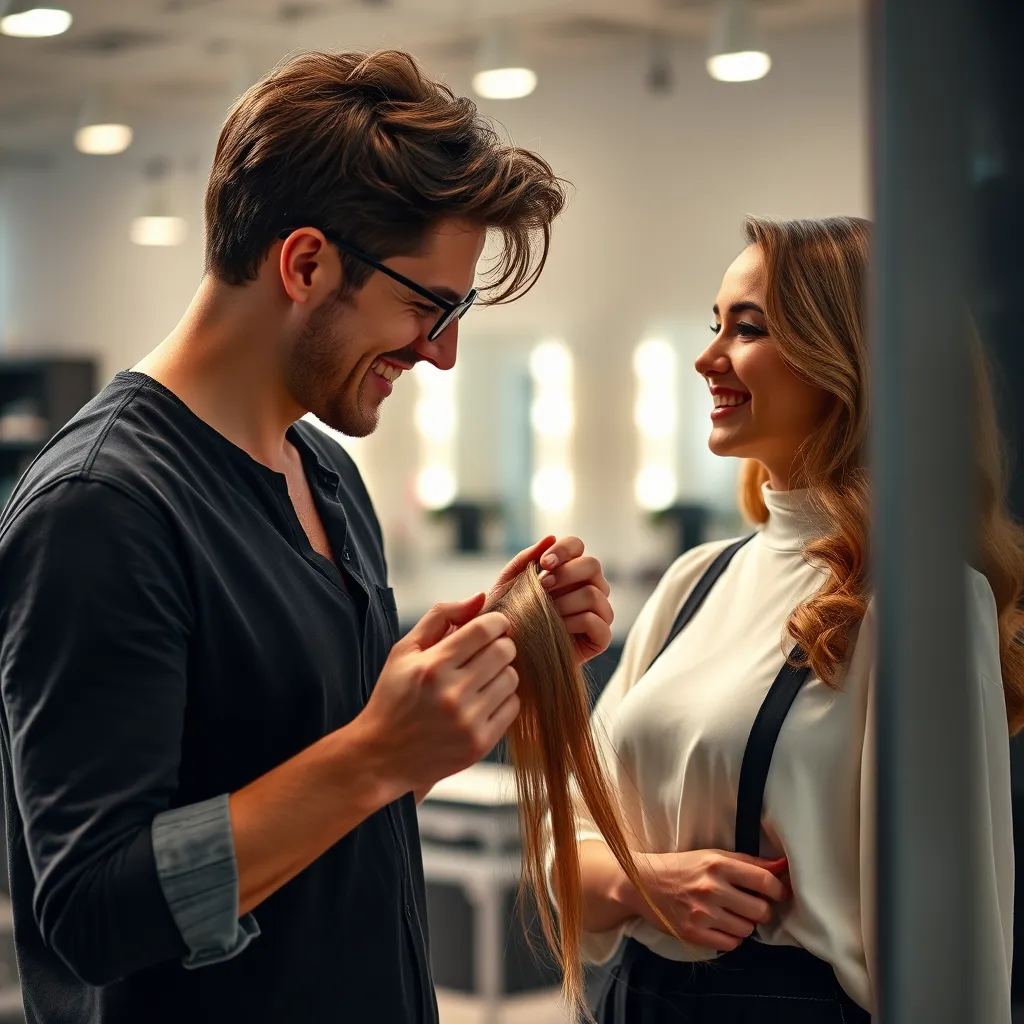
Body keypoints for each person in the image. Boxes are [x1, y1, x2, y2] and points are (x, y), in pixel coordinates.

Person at [0, 50, 616, 1024]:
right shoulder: (101, 508)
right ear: (305, 262)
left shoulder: (326, 476)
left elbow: (317, 805)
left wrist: (465, 684)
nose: (441, 353)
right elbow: (94, 911)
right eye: (430, 305)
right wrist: (375, 751)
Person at [567, 216, 1020, 1022]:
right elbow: (564, 841)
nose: (708, 359)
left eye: (749, 328)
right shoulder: (694, 581)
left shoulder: (924, 603)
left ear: (850, 357)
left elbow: (957, 952)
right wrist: (647, 884)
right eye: (715, 326)